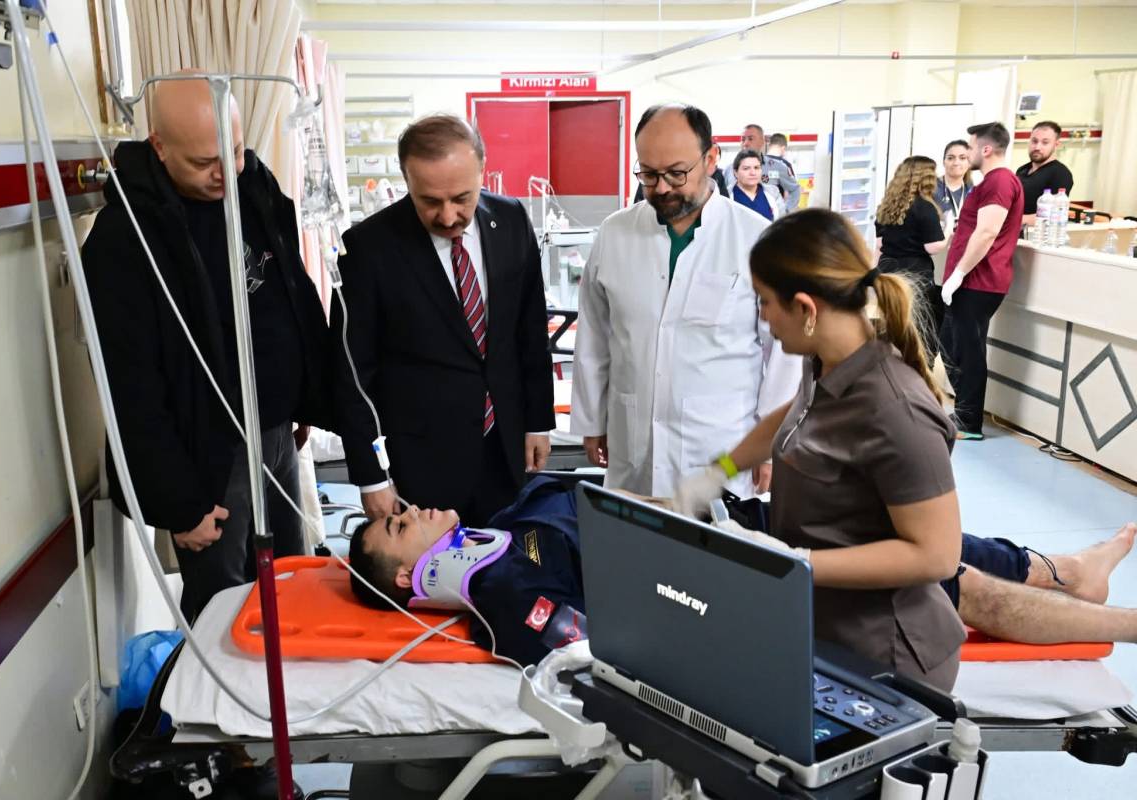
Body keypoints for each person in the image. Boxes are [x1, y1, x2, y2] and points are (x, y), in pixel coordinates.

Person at [348, 476, 1137, 669]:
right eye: (398, 524)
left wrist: (709, 495)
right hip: (743, 577)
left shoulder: (509, 518)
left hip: (731, 524)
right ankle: (1118, 620)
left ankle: (1065, 568)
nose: (410, 507)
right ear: (414, 577)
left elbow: (628, 508)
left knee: (897, 527)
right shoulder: (502, 591)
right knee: (936, 579)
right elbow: (592, 650)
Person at [674, 208, 965, 690]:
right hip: (822, 627)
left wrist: (798, 560)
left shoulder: (895, 411)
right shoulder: (828, 361)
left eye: (766, 302)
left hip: (883, 659)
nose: (762, 317)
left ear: (807, 309)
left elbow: (937, 555)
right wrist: (718, 470)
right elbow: (795, 414)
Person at [82, 73, 332, 621]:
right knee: (225, 611)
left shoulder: (256, 190)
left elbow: (291, 296)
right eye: (204, 162)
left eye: (235, 151)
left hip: (275, 431)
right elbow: (130, 385)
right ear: (159, 146)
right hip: (208, 454)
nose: (226, 171)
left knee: (292, 586)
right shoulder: (125, 240)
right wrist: (179, 503)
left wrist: (304, 394)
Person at [335, 114, 554, 528]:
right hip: (421, 464)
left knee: (510, 559)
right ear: (406, 180)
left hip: (505, 447)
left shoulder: (510, 220)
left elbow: (529, 329)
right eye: (430, 202)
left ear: (482, 169)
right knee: (431, 570)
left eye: (461, 198)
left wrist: (538, 420)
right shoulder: (368, 248)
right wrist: (371, 476)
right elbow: (352, 374)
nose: (449, 216)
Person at [570, 104, 799, 500]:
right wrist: (592, 419)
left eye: (676, 173)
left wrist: (771, 446)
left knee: (716, 537)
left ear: (711, 159)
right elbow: (594, 335)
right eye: (649, 174)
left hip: (722, 450)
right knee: (631, 531)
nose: (661, 188)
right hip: (633, 445)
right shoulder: (614, 234)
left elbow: (783, 353)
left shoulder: (757, 238)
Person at [940, 122, 1025, 441]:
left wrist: (960, 273)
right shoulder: (990, 182)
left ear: (986, 149)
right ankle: (965, 411)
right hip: (973, 280)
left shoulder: (1000, 181)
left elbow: (987, 232)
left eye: (971, 148)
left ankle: (969, 421)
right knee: (953, 343)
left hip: (979, 280)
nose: (967, 154)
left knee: (967, 349)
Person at [873, 156, 947, 359]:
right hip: (915, 273)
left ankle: (891, 363)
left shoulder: (887, 206)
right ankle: (917, 367)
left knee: (892, 321)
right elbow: (932, 247)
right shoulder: (925, 207)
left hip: (888, 268)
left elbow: (879, 244)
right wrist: (949, 234)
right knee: (918, 327)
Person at [1016, 120, 1074, 223]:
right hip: (1015, 229)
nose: (1037, 147)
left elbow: (1054, 215)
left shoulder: (1060, 174)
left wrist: (1013, 221)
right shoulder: (1022, 170)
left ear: (1056, 144)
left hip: (1038, 231)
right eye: (1034, 141)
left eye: (1045, 142)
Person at [736, 124, 800, 211]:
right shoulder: (729, 170)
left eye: (750, 139)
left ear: (762, 142)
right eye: (743, 139)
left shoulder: (778, 166)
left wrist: (786, 211)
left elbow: (794, 189)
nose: (745, 143)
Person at [730, 149, 787, 222]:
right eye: (746, 168)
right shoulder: (726, 195)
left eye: (756, 168)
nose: (753, 173)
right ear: (735, 172)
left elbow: (782, 222)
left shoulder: (773, 192)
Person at [936, 139, 974, 228]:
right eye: (950, 158)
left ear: (969, 162)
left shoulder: (973, 191)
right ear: (943, 162)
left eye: (962, 158)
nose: (956, 163)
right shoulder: (931, 188)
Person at [765, 132, 801, 210]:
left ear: (769, 145)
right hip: (777, 210)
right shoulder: (784, 165)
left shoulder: (758, 162)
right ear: (783, 148)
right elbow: (790, 191)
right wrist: (787, 210)